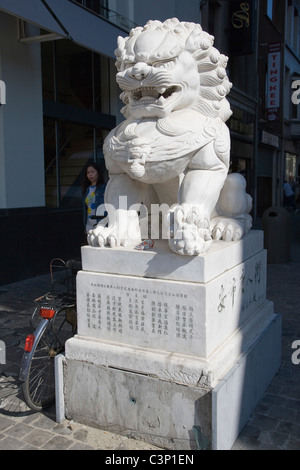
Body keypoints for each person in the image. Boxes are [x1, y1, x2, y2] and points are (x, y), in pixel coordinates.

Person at [82, 160, 106, 235]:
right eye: (88, 173)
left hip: (100, 222)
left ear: (98, 173)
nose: (90, 174)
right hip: (89, 223)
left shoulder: (104, 188)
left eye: (92, 172)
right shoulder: (87, 189)